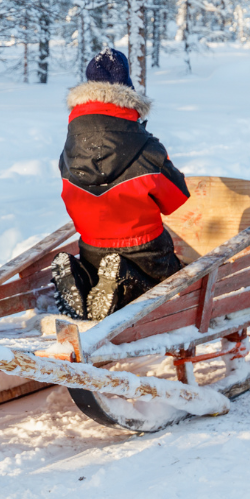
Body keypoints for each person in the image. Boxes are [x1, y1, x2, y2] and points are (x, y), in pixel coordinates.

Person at [51, 49, 190, 321]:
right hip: (146, 249)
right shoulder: (147, 147)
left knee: (99, 268)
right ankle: (122, 279)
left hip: (91, 248)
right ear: (128, 93)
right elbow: (176, 199)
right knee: (169, 283)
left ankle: (82, 278)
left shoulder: (70, 150)